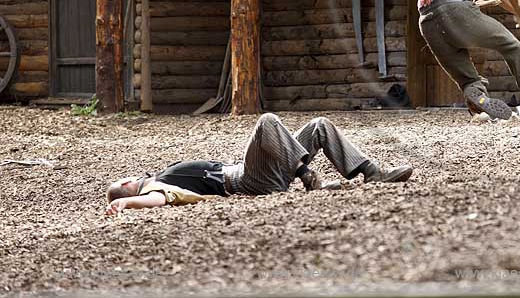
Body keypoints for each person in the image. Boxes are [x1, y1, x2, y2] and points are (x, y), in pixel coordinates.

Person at [104, 113, 412, 215]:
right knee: (266, 122)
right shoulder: (156, 185)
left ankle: (371, 173)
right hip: (247, 181)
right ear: (127, 188)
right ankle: (304, 174)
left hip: (262, 171)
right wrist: (127, 203)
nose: (127, 178)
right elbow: (158, 199)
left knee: (318, 125)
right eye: (123, 183)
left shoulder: (160, 174)